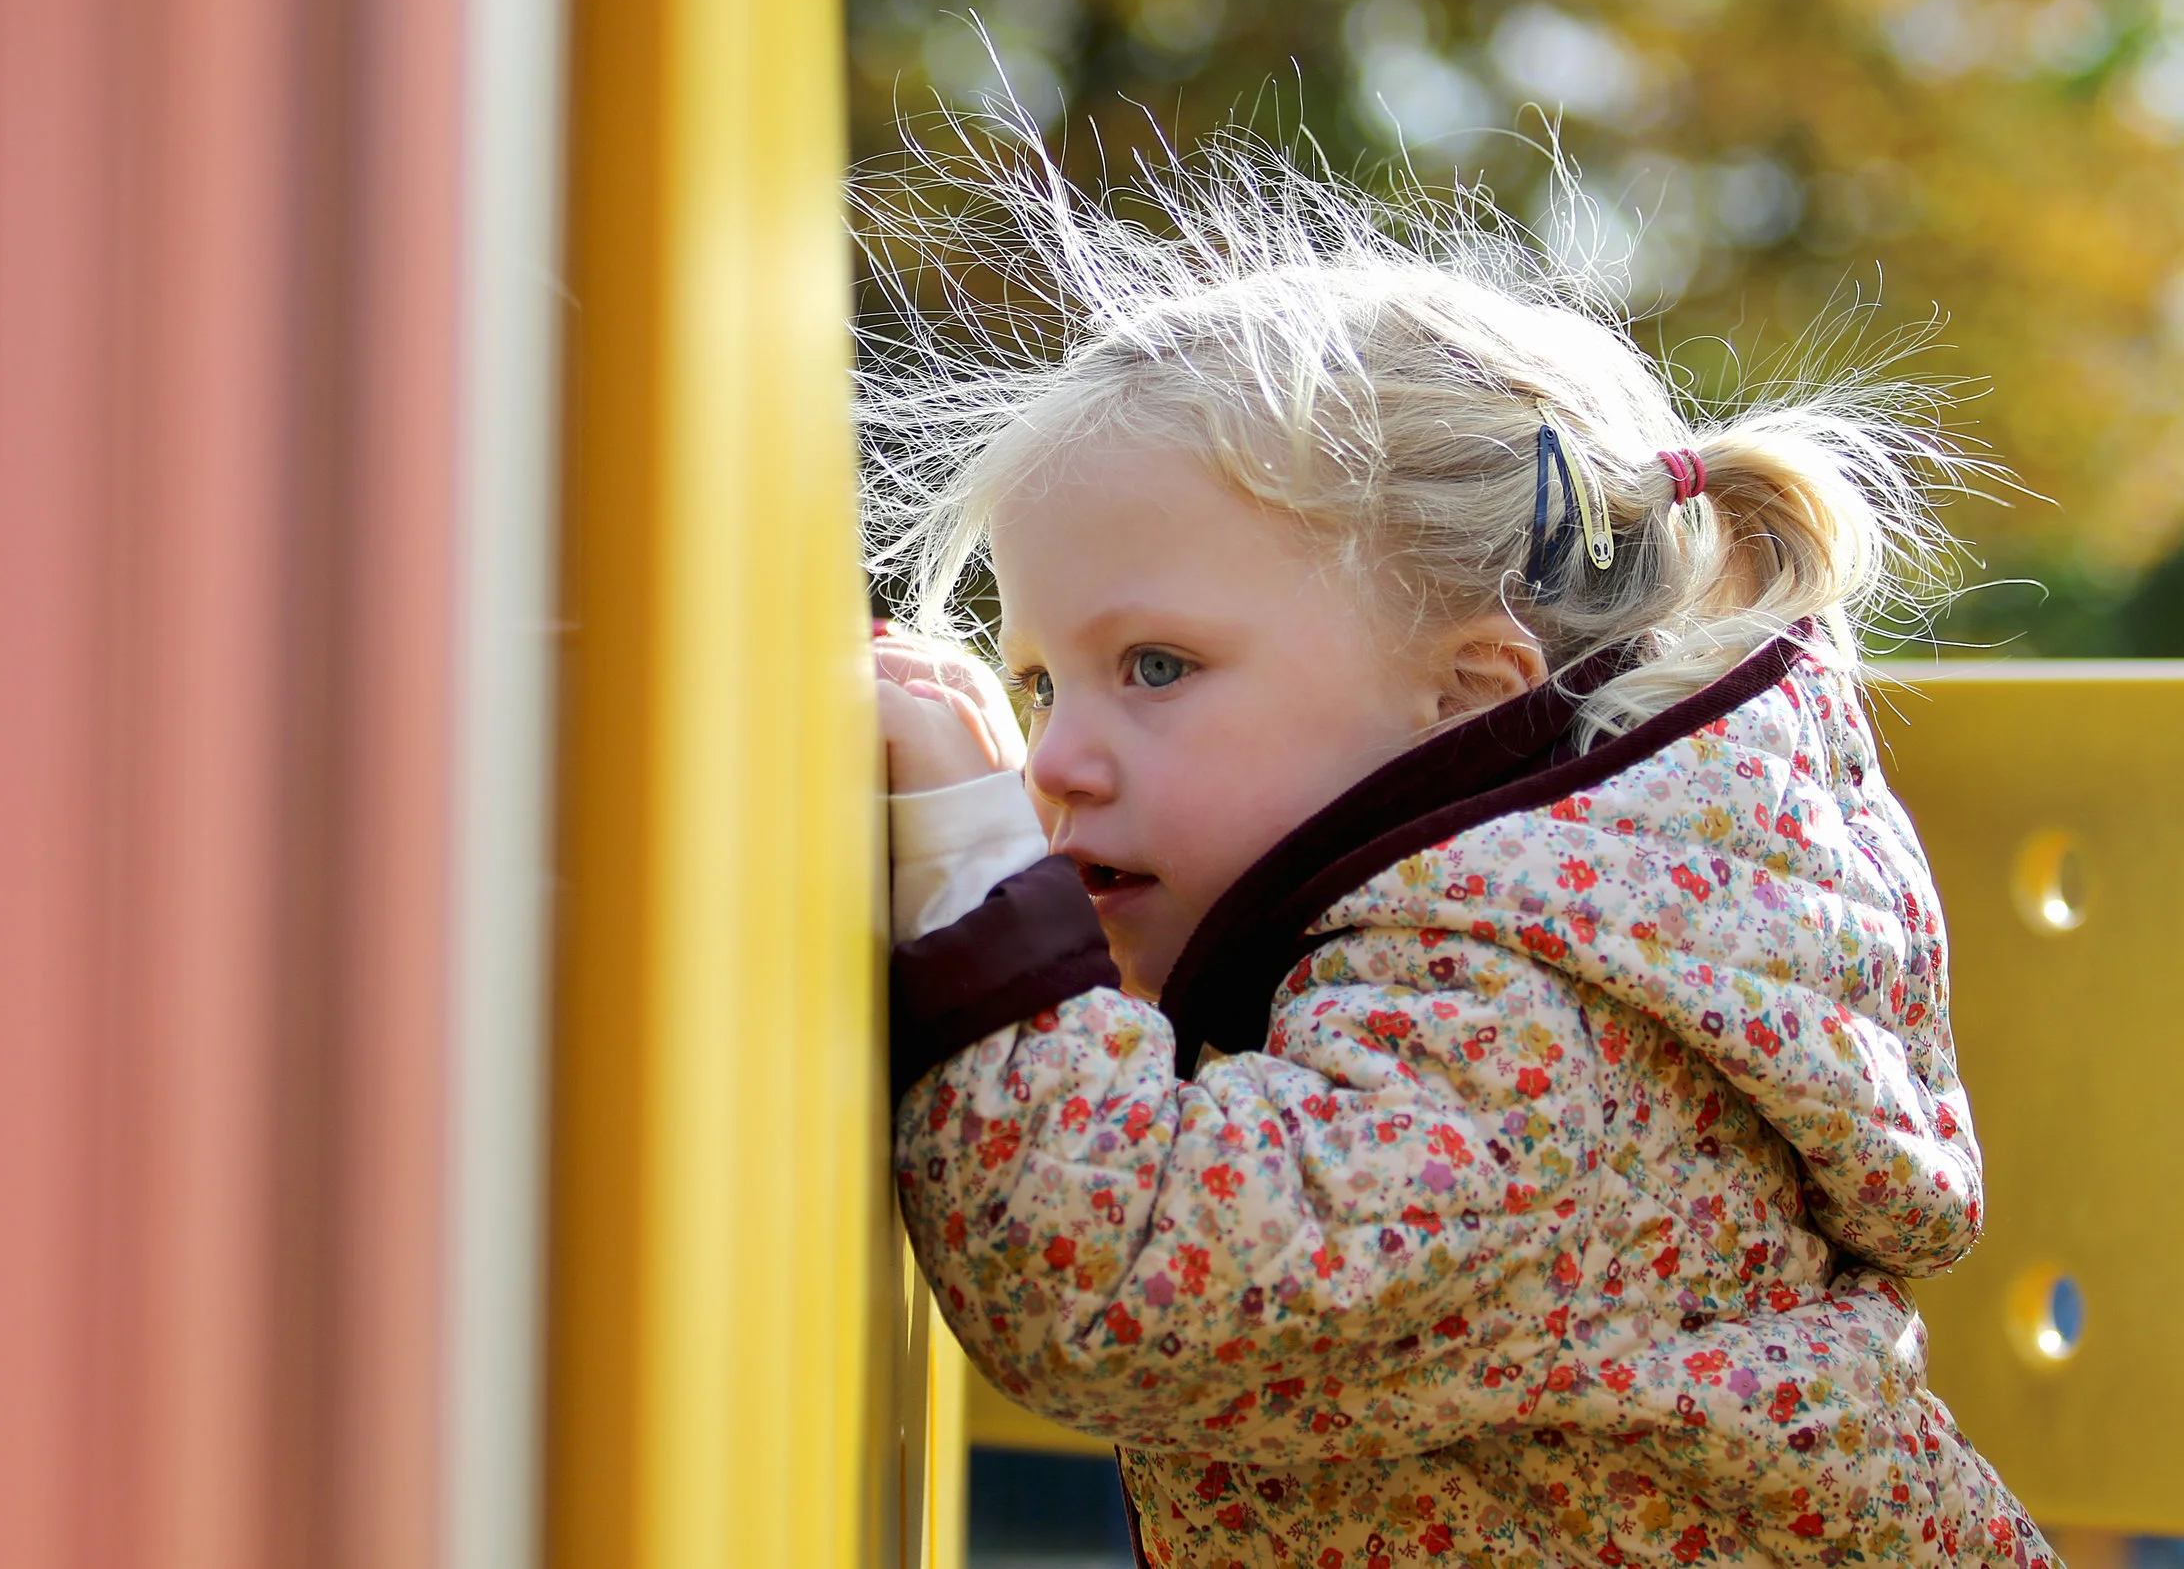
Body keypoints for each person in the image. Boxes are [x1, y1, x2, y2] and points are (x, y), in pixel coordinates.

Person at [861, 125, 2049, 1568]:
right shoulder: (1515, 947)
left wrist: (975, 870)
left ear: (1464, 700)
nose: (1050, 761)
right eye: (1040, 682)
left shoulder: (1538, 1024)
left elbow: (1127, 1276)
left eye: (1157, 667)